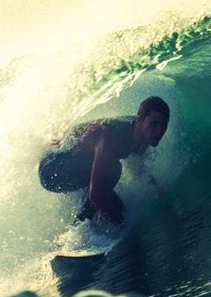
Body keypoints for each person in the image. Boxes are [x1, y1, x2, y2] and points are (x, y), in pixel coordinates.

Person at [38, 96, 170, 226]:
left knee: (119, 208)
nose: (159, 131)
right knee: (113, 171)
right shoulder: (111, 139)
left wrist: (161, 195)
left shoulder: (143, 136)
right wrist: (123, 227)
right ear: (140, 121)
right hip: (52, 169)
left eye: (163, 125)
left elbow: (139, 171)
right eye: (154, 124)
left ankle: (85, 224)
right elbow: (95, 194)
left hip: (72, 163)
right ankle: (79, 230)